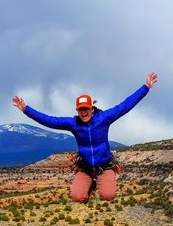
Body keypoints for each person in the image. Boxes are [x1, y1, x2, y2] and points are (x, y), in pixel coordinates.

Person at [12, 72, 158, 203]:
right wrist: (26, 109)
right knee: (77, 197)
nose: (84, 112)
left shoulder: (104, 118)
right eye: (80, 110)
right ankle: (90, 186)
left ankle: (102, 182)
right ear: (77, 110)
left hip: (104, 166)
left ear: (92, 109)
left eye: (86, 109)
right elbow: (49, 120)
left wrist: (145, 87)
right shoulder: (73, 123)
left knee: (108, 196)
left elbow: (125, 105)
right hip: (86, 168)